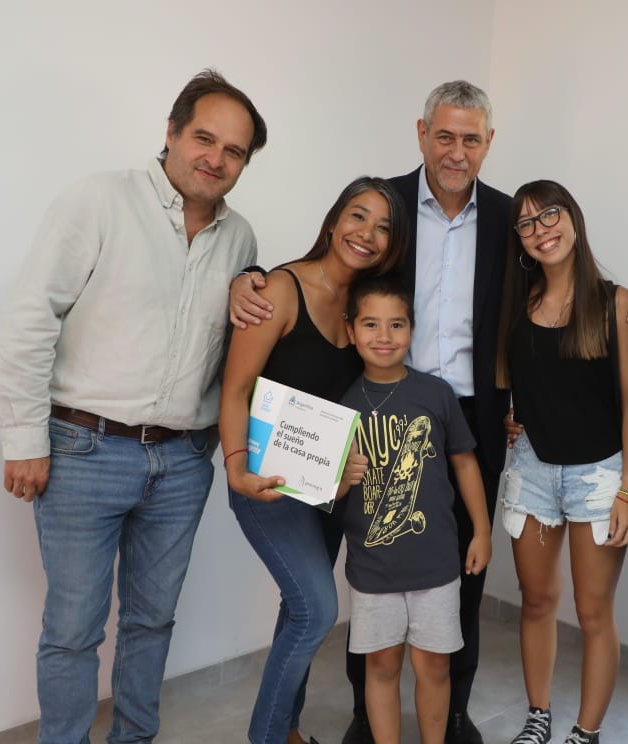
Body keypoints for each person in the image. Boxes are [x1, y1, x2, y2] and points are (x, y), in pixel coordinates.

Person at [231, 80, 628, 744]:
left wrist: (621, 309)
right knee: (367, 563)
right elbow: (331, 266)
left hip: (472, 416)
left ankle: (452, 716)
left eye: (471, 139)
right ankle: (363, 719)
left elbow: (553, 296)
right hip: (377, 406)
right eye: (445, 136)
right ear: (422, 133)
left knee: (462, 576)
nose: (457, 152)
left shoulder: (513, 219)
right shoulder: (386, 206)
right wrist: (248, 276)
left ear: (489, 143)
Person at [0, 70, 267, 743]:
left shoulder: (240, 239)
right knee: (73, 630)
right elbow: (31, 318)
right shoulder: (99, 200)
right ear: (171, 132)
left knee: (152, 621)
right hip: (83, 452)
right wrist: (24, 439)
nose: (216, 158)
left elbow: (231, 349)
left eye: (234, 151)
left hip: (181, 463)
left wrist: (251, 288)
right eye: (204, 138)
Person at [218, 177, 407, 744]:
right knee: (318, 610)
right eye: (358, 216)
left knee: (299, 607)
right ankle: (267, 736)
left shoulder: (365, 307)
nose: (366, 233)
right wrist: (236, 467)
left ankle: (288, 728)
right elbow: (236, 389)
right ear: (333, 221)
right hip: (266, 481)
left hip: (328, 488)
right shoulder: (280, 289)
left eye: (383, 228)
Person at [494, 180, 628, 744]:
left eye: (550, 215)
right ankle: (538, 718)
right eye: (527, 224)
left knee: (593, 612)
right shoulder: (517, 302)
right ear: (520, 240)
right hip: (532, 470)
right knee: (536, 601)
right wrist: (511, 416)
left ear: (573, 219)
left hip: (599, 477)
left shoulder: (615, 302)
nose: (541, 230)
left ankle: (586, 732)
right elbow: (512, 384)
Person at [338, 274, 492, 744]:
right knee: (381, 667)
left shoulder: (436, 393)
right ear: (351, 331)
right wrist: (341, 479)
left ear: (412, 330)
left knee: (434, 667)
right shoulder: (340, 406)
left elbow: (465, 463)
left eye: (397, 324)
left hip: (436, 565)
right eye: (370, 324)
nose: (384, 336)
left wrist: (482, 531)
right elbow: (324, 491)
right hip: (373, 567)